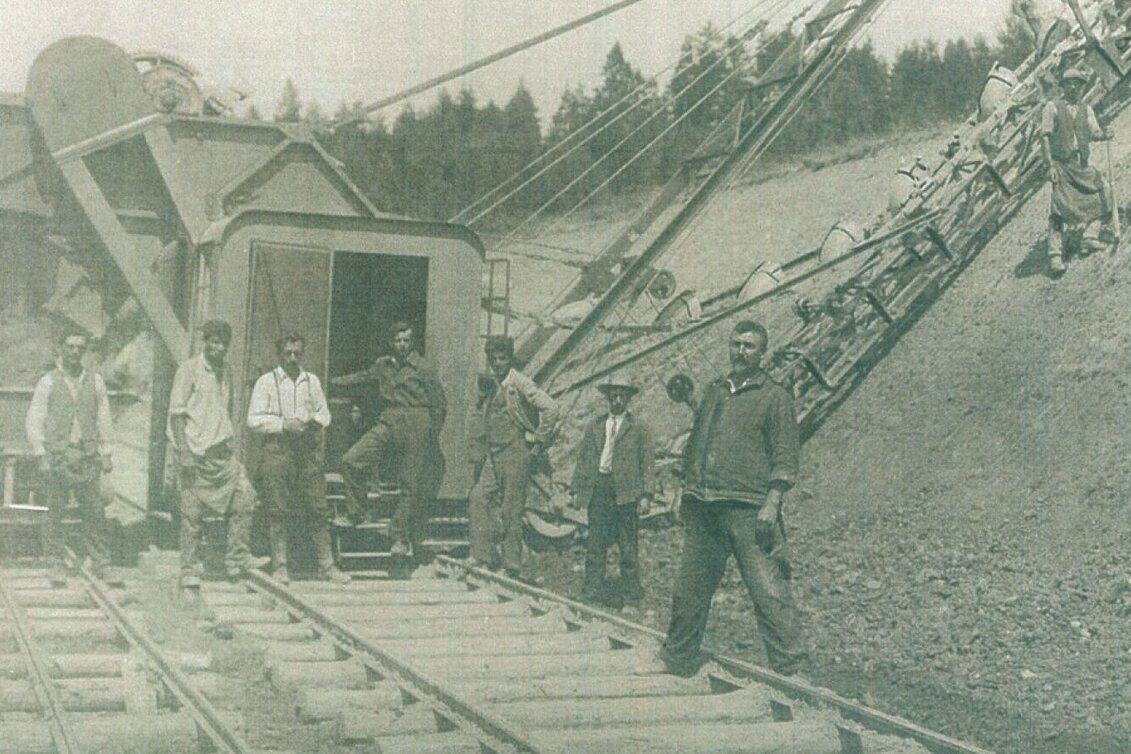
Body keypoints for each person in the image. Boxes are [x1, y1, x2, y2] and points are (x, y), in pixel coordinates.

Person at [654, 320, 806, 677]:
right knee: (689, 591)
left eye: (749, 346)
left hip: (748, 508)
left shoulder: (775, 397)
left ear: (762, 352)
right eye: (735, 344)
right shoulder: (716, 392)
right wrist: (685, 491)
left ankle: (793, 671)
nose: (740, 352)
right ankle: (677, 659)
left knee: (769, 590)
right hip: (705, 507)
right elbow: (696, 444)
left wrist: (773, 502)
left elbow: (786, 456)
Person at [331, 321, 446, 561]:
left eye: (406, 340)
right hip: (390, 419)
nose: (402, 345)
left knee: (409, 483)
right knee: (352, 460)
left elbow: (439, 404)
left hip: (417, 422)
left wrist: (429, 434)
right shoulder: (383, 365)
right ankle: (356, 512)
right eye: (398, 341)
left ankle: (399, 537)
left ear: (412, 342)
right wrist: (332, 381)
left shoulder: (423, 368)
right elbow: (362, 378)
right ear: (391, 343)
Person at [168, 319, 268, 588]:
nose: (219, 347)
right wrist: (184, 452)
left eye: (224, 343)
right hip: (196, 453)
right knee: (191, 516)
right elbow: (176, 414)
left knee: (245, 500)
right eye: (214, 341)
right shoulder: (189, 370)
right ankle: (188, 568)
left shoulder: (227, 371)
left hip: (222, 454)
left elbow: (227, 411)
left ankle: (237, 558)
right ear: (206, 342)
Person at [247, 333, 348, 584]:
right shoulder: (266, 382)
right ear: (280, 355)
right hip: (278, 449)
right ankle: (281, 566)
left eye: (297, 353)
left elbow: (324, 412)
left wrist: (313, 423)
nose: (293, 358)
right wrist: (283, 424)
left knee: (317, 507)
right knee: (277, 509)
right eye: (288, 353)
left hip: (306, 451)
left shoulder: (310, 381)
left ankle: (328, 566)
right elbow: (253, 419)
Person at [467, 335, 560, 580]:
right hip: (494, 454)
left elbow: (551, 407)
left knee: (511, 509)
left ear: (510, 359)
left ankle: (511, 565)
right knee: (478, 498)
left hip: (516, 453)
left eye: (502, 358)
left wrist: (540, 439)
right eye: (494, 359)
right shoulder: (491, 384)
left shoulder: (519, 382)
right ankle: (481, 555)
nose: (498, 363)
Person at [26, 331, 114, 586]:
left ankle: (101, 563)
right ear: (61, 348)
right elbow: (35, 419)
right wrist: (40, 453)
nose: (75, 352)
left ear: (85, 351)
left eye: (80, 348)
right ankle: (54, 563)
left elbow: (104, 418)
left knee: (95, 512)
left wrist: (106, 452)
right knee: (56, 511)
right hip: (59, 456)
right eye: (70, 347)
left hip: (86, 456)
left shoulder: (94, 381)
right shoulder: (48, 382)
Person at [571, 379, 654, 609]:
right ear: (608, 398)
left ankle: (630, 596)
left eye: (622, 396)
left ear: (628, 399)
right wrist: (576, 489)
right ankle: (592, 593)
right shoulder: (596, 426)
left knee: (628, 546)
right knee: (595, 543)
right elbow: (585, 459)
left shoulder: (639, 428)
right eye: (614, 396)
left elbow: (647, 462)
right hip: (600, 488)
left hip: (626, 492)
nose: (617, 401)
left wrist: (646, 495)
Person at [1040, 65, 1115, 275]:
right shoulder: (1052, 107)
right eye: (1069, 83)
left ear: (1082, 87)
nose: (1074, 87)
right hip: (1061, 165)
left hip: (1081, 164)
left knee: (1104, 193)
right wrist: (1050, 165)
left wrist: (1105, 133)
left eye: (1078, 84)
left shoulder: (1086, 110)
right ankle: (1055, 255)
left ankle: (1089, 237)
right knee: (1058, 209)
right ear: (1063, 86)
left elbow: (1095, 133)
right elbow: (1044, 137)